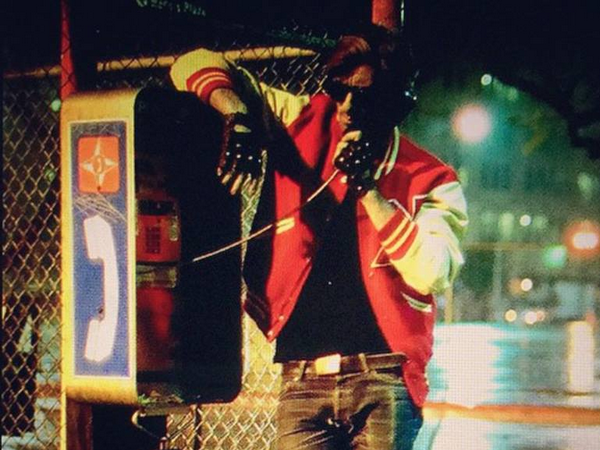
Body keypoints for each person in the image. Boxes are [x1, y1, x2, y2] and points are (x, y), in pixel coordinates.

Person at [171, 26, 468, 450]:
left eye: (362, 97)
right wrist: (238, 117)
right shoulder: (301, 121)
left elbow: (433, 272)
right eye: (337, 91)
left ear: (395, 104)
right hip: (302, 377)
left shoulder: (432, 178)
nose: (345, 108)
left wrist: (369, 190)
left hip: (383, 378)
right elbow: (190, 63)